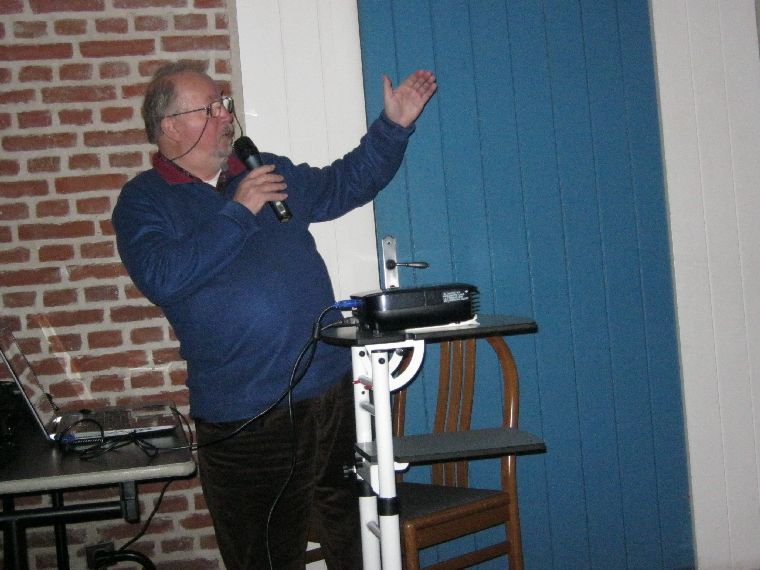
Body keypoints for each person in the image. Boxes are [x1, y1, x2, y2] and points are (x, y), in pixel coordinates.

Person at [112, 61, 436, 569]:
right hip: (247, 414)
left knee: (358, 543)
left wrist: (393, 126)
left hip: (330, 394)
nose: (227, 115)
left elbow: (343, 184)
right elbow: (162, 276)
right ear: (170, 126)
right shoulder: (144, 201)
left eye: (225, 104)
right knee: (263, 555)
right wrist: (238, 211)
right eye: (211, 108)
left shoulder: (261, 170)